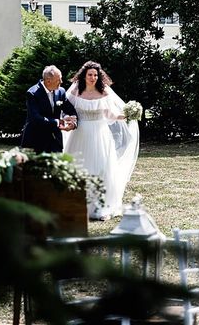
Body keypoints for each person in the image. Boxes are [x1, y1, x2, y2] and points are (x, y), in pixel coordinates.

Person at [63, 61, 139, 220]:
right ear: (84, 76)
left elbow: (109, 115)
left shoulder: (104, 92)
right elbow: (66, 110)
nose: (93, 77)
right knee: (79, 168)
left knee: (102, 169)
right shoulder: (75, 91)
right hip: (80, 134)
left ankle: (102, 207)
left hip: (100, 134)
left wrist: (124, 116)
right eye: (90, 74)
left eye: (95, 75)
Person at [20, 65, 77, 154]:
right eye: (59, 79)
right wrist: (58, 121)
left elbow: (70, 109)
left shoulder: (61, 91)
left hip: (55, 141)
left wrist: (73, 123)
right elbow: (36, 118)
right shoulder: (32, 93)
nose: (61, 82)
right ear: (48, 81)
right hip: (36, 140)